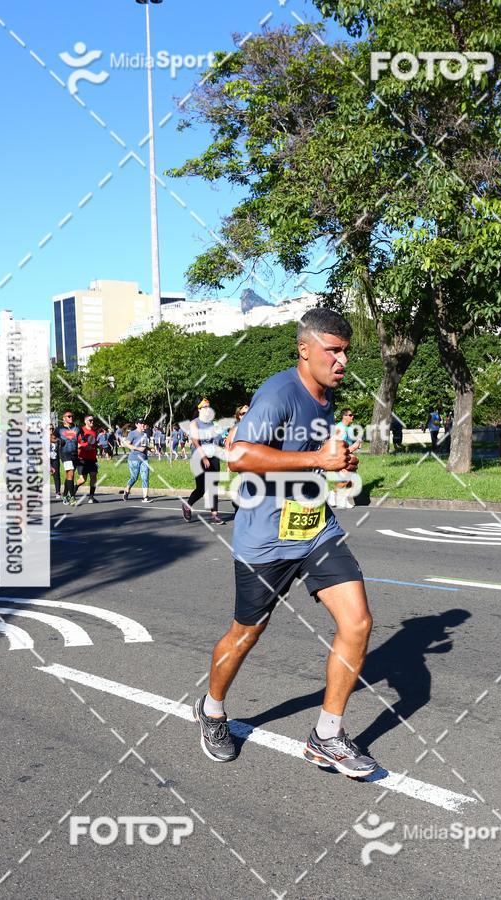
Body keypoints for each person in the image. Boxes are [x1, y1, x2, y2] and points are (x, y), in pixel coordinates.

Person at [193, 308, 380, 777]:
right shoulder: (279, 391)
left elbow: (302, 457)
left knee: (357, 622)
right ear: (305, 350)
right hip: (265, 540)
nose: (341, 362)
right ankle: (212, 708)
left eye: (345, 352)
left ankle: (327, 736)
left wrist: (336, 465)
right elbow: (236, 455)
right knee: (246, 634)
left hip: (315, 527)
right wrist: (318, 456)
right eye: (332, 351)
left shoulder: (325, 397)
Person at [181, 399, 224, 525]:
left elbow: (218, 441)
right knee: (202, 488)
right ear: (199, 409)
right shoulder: (195, 423)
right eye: (204, 407)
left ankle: (214, 515)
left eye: (209, 407)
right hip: (199, 457)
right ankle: (187, 505)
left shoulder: (212, 423)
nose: (207, 409)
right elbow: (195, 441)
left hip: (213, 456)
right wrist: (204, 457)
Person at [327, 408, 361, 509]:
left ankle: (343, 499)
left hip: (347, 457)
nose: (352, 416)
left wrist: (356, 444)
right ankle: (333, 494)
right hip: (339, 457)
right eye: (350, 415)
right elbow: (337, 448)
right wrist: (353, 446)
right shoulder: (339, 429)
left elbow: (349, 445)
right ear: (344, 416)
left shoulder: (349, 429)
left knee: (352, 481)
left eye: (352, 415)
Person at [224, 405, 249, 514]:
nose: (246, 415)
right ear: (238, 416)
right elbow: (227, 445)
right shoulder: (236, 428)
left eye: (248, 412)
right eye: (243, 413)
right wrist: (228, 463)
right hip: (241, 460)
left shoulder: (255, 426)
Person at [122, 418, 152, 503]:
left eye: (143, 423)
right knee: (134, 477)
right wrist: (137, 448)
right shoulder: (132, 433)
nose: (142, 424)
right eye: (140, 423)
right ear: (136, 424)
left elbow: (144, 445)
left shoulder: (145, 434)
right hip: (134, 459)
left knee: (145, 477)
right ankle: (127, 490)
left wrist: (149, 449)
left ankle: (145, 497)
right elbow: (126, 444)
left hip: (144, 459)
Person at [58, 411, 80, 506]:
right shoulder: (59, 429)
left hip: (74, 454)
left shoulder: (76, 428)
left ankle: (65, 494)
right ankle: (72, 497)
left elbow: (83, 438)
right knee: (70, 473)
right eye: (69, 416)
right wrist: (59, 440)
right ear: (64, 418)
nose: (71, 417)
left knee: (69, 475)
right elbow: (52, 438)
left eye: (72, 416)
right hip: (64, 454)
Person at [76, 414, 99, 503]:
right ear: (85, 421)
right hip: (82, 458)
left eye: (93, 420)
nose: (92, 422)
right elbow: (76, 444)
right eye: (90, 420)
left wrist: (97, 446)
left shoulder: (94, 432)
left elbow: (93, 444)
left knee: (94, 476)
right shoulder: (80, 431)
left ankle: (91, 497)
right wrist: (83, 447)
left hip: (92, 458)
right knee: (82, 480)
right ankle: (72, 492)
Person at [50, 425, 61, 499]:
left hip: (55, 459)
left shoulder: (57, 439)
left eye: (52, 428)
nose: (51, 430)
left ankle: (58, 492)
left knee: (56, 475)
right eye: (49, 428)